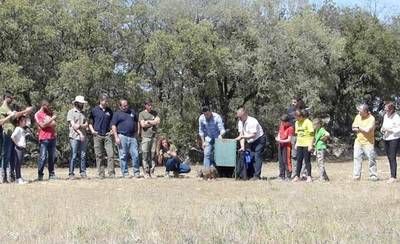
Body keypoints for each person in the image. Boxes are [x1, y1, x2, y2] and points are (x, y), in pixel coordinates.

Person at [0, 91, 33, 183]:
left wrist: (25, 114)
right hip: (7, 133)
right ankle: (4, 176)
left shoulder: (9, 108)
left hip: (12, 134)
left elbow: (15, 117)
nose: (12, 100)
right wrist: (25, 111)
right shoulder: (3, 108)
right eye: (11, 98)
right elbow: (13, 115)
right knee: (5, 155)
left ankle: (12, 176)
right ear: (6, 97)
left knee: (12, 156)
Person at [235, 107, 266, 180]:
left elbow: (253, 135)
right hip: (250, 141)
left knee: (257, 156)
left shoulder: (252, 121)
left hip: (259, 140)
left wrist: (242, 137)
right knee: (250, 157)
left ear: (245, 114)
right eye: (238, 117)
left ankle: (257, 176)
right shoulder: (240, 122)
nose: (239, 118)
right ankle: (251, 174)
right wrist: (242, 146)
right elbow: (241, 134)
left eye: (240, 117)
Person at [111, 99, 140, 178]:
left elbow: (137, 122)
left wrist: (137, 132)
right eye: (124, 106)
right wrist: (116, 137)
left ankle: (136, 172)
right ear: (120, 106)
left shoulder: (132, 112)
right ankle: (125, 173)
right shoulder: (117, 114)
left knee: (136, 155)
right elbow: (113, 125)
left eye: (127, 105)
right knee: (123, 156)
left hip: (132, 136)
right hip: (122, 136)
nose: (126, 107)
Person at [89, 94, 115, 178]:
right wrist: (93, 131)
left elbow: (113, 122)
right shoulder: (94, 110)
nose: (107, 102)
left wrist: (111, 131)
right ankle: (101, 174)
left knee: (110, 154)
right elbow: (90, 122)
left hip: (107, 135)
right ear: (100, 100)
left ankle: (111, 174)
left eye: (107, 100)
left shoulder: (109, 111)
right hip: (97, 135)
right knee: (99, 155)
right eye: (105, 100)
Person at [352, 104, 378, 181]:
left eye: (360, 111)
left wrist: (359, 128)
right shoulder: (358, 116)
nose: (359, 112)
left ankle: (373, 176)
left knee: (371, 159)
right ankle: (356, 176)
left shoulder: (371, 118)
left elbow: (368, 130)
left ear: (365, 111)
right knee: (357, 158)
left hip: (368, 142)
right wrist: (360, 129)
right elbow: (353, 127)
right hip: (358, 141)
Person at [34, 99, 57, 181]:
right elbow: (42, 125)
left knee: (52, 157)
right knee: (43, 157)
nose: (48, 108)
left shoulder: (48, 113)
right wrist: (51, 119)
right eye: (46, 106)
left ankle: (51, 174)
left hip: (52, 137)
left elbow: (54, 124)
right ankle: (40, 174)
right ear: (43, 106)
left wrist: (49, 121)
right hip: (43, 138)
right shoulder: (37, 114)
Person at [67, 95, 89, 179]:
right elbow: (73, 126)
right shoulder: (71, 112)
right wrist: (80, 133)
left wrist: (79, 125)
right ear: (77, 103)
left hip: (83, 137)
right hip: (74, 137)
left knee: (83, 155)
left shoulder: (84, 113)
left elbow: (86, 124)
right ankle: (71, 173)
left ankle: (83, 172)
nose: (82, 104)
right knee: (73, 155)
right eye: (81, 103)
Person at [139, 98, 160, 177]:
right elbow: (143, 125)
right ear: (145, 105)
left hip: (153, 137)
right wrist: (153, 122)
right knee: (145, 155)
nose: (150, 106)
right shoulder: (141, 114)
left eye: (151, 105)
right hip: (145, 137)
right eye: (149, 105)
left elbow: (158, 121)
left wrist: (148, 121)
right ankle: (146, 172)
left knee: (152, 155)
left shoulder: (155, 113)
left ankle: (152, 172)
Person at [380, 102, 400, 183]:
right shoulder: (385, 116)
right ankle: (392, 175)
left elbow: (398, 129)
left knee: (392, 157)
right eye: (385, 109)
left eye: (387, 109)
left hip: (394, 138)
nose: (385, 110)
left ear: (391, 109)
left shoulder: (396, 117)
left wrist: (389, 130)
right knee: (389, 157)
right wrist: (382, 129)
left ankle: (393, 177)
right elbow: (384, 126)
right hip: (386, 138)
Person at [292, 109, 314, 183]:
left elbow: (311, 135)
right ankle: (297, 176)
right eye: (296, 118)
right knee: (299, 160)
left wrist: (310, 145)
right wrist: (296, 144)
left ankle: (309, 176)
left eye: (298, 117)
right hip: (300, 144)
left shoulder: (308, 122)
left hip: (307, 144)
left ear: (301, 116)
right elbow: (298, 134)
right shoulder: (296, 123)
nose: (297, 119)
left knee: (307, 161)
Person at [275, 114, 294, 180]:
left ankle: (288, 175)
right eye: (281, 122)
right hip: (281, 145)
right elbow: (279, 133)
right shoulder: (281, 125)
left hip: (287, 146)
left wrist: (280, 140)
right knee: (281, 161)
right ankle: (281, 175)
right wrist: (278, 138)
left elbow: (289, 139)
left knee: (286, 161)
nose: (282, 124)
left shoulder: (290, 128)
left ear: (287, 122)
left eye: (283, 123)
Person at [11, 116, 28, 184]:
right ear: (20, 122)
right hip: (19, 148)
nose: (25, 122)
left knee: (19, 164)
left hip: (22, 148)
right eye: (24, 121)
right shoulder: (18, 128)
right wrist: (17, 144)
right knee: (17, 164)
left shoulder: (22, 129)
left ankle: (19, 177)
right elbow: (12, 136)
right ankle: (18, 178)